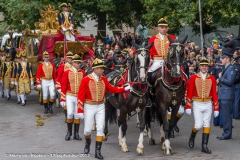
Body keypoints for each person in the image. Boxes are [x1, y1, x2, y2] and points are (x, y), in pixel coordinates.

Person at [77, 58, 132, 159]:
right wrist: (80, 110)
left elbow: (112, 89)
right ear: (95, 69)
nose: (103, 70)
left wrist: (124, 89)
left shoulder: (103, 79)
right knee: (87, 130)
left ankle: (98, 151)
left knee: (100, 129)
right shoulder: (86, 79)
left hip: (101, 106)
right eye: (100, 69)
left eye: (102, 69)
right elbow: (80, 95)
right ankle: (87, 143)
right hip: (89, 106)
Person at [186, 57, 219, 154]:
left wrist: (216, 108)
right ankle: (192, 137)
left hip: (208, 104)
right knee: (198, 125)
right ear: (199, 67)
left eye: (206, 66)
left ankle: (204, 146)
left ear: (208, 67)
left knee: (207, 124)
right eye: (202, 66)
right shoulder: (193, 78)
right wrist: (188, 106)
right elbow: (190, 92)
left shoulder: (212, 78)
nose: (204, 67)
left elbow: (214, 93)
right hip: (197, 103)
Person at [147, 18, 176, 121]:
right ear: (158, 28)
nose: (164, 29)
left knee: (180, 75)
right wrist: (150, 59)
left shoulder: (172, 38)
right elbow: (149, 50)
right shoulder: (153, 39)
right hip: (157, 61)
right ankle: (149, 95)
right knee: (149, 75)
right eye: (162, 27)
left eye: (165, 27)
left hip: (169, 62)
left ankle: (182, 96)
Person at [60, 54, 86, 141]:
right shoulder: (67, 72)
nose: (79, 64)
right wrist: (63, 98)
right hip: (70, 95)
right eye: (78, 63)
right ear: (74, 63)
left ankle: (76, 134)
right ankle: (69, 132)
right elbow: (63, 85)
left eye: (80, 63)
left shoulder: (82, 72)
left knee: (77, 115)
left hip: (79, 96)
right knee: (70, 113)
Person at [216, 51, 236, 140]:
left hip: (227, 95)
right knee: (224, 115)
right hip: (224, 95)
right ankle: (226, 132)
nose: (221, 60)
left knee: (226, 115)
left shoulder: (231, 68)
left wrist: (220, 78)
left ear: (227, 59)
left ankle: (227, 133)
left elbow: (230, 81)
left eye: (223, 58)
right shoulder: (226, 68)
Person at [56, 51, 73, 121]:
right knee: (65, 102)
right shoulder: (63, 66)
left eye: (71, 58)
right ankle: (67, 116)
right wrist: (59, 87)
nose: (71, 59)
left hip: (72, 87)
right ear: (66, 59)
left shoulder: (74, 66)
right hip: (64, 86)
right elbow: (59, 77)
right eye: (69, 58)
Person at [232, 50, 240, 119]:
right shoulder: (238, 67)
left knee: (234, 99)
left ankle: (234, 113)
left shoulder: (233, 66)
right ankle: (236, 114)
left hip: (234, 84)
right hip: (237, 84)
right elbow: (238, 77)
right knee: (237, 99)